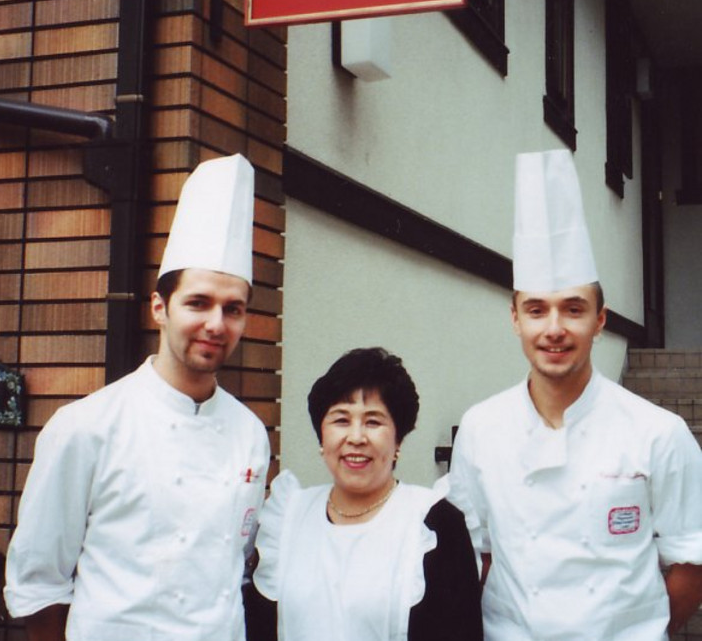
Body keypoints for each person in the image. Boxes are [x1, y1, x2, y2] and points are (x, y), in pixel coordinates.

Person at [4, 155, 270, 641]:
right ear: (159, 308)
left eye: (233, 309)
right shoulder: (86, 426)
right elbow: (38, 584)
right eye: (198, 302)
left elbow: (236, 568)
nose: (216, 324)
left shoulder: (250, 434)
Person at [449, 149, 702, 641]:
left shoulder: (658, 433)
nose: (555, 328)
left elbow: (691, 563)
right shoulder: (481, 428)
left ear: (600, 321)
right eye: (537, 310)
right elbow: (477, 556)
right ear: (515, 318)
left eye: (573, 309)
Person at [245, 347, 483, 641]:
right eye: (341, 420)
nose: (356, 437)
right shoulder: (287, 518)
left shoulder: (433, 523)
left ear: (398, 438)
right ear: (322, 436)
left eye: (373, 421)